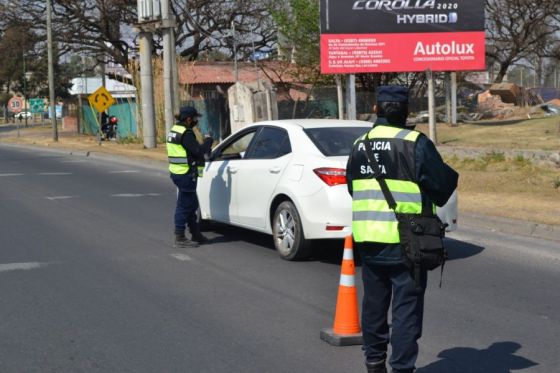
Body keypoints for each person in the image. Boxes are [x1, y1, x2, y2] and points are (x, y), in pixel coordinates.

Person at [345, 86, 459, 373]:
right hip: (408, 241)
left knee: (374, 306)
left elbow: (352, 188)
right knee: (406, 310)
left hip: (369, 239)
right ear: (406, 111)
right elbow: (441, 190)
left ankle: (374, 363)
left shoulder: (361, 143)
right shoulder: (415, 142)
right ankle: (402, 368)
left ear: (376, 109)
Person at [167, 106, 213, 248]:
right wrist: (208, 142)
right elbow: (198, 151)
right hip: (185, 174)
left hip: (177, 172)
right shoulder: (186, 133)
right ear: (188, 119)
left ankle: (195, 233)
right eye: (195, 119)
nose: (196, 121)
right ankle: (180, 236)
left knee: (192, 204)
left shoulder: (175, 130)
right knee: (184, 205)